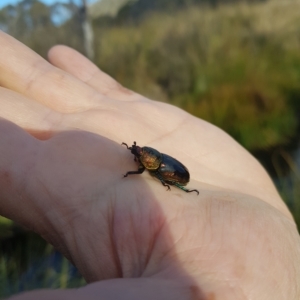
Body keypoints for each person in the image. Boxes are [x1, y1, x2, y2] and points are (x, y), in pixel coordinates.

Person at [0, 30, 299, 300]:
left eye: (140, 156)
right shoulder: (148, 156)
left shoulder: (153, 167)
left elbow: (154, 169)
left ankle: (180, 188)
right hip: (168, 163)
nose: (137, 156)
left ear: (148, 160)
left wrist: (137, 171)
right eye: (138, 155)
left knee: (169, 180)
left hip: (177, 171)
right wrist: (135, 152)